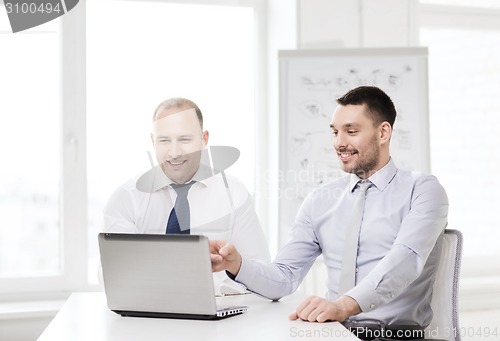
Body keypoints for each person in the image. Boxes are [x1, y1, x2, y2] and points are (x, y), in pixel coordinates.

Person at [211, 86, 448, 340]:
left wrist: (343, 305)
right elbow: (284, 278)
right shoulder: (319, 201)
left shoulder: (422, 190)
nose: (339, 142)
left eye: (351, 131)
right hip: (330, 332)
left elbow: (405, 260)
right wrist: (236, 264)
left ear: (383, 132)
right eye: (335, 132)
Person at [103, 97, 270, 295]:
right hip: (146, 318)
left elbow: (261, 274)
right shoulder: (127, 198)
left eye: (184, 139)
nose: (174, 152)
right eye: (164, 140)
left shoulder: (233, 193)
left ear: (204, 139)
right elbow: (113, 273)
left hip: (219, 317)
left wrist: (232, 268)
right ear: (153, 141)